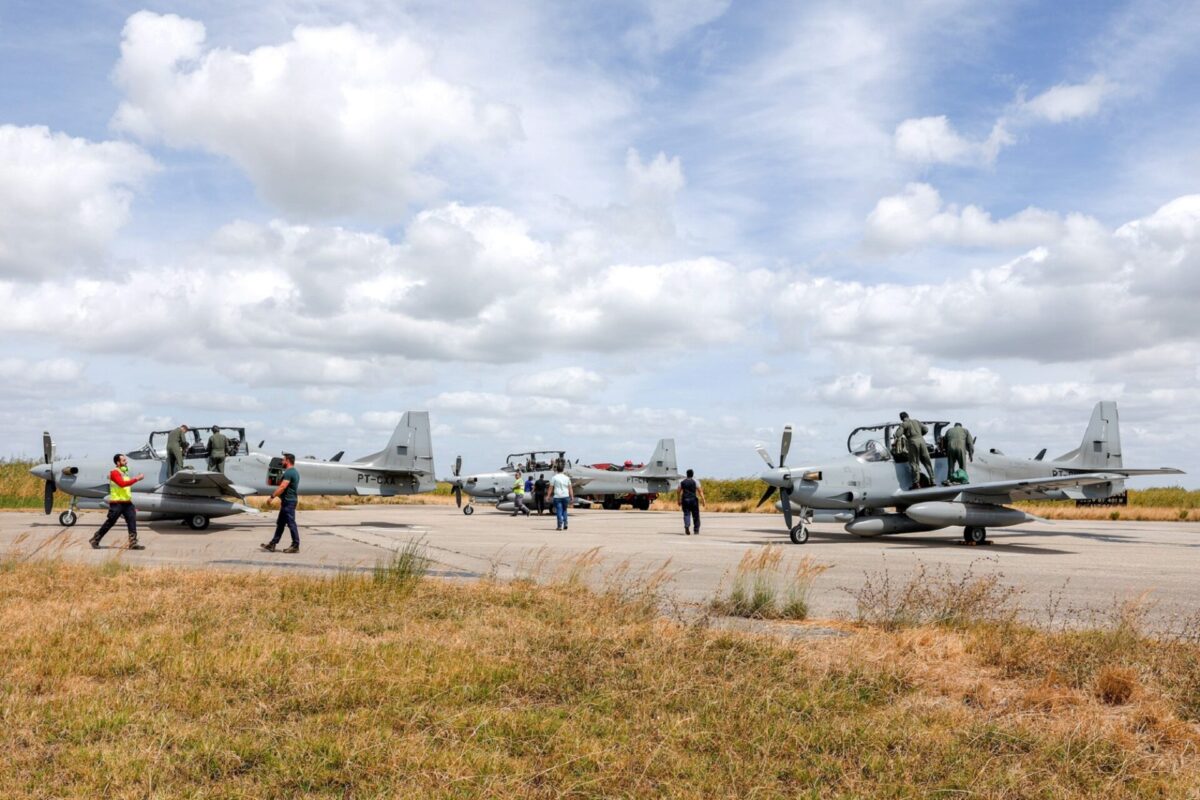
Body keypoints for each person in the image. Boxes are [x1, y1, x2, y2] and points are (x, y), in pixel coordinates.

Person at [89, 454, 146, 550]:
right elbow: (122, 484)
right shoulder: (114, 473)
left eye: (125, 460)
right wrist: (137, 478)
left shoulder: (124, 472)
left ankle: (133, 543)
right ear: (118, 463)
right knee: (110, 522)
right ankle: (95, 539)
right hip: (117, 503)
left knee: (132, 521)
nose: (126, 462)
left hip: (127, 503)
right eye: (124, 460)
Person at [261, 453, 300, 553]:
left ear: (287, 461)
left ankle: (295, 545)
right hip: (287, 501)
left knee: (291, 523)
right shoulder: (294, 472)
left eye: (283, 460)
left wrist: (272, 497)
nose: (281, 462)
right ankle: (272, 544)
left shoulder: (289, 472)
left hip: (289, 502)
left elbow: (283, 486)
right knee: (281, 523)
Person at [899, 412, 934, 489]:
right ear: (908, 416)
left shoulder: (903, 424)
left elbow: (898, 434)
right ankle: (933, 480)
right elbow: (926, 429)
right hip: (922, 441)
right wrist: (919, 435)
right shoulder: (916, 421)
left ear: (901, 418)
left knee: (914, 463)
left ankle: (916, 483)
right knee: (927, 461)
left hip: (912, 443)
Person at [679, 468, 706, 536]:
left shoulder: (682, 482)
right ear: (692, 474)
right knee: (696, 515)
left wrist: (678, 500)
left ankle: (687, 525)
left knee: (686, 514)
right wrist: (703, 500)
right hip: (693, 500)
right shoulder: (695, 481)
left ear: (686, 474)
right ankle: (696, 530)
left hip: (685, 500)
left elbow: (678, 491)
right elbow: (700, 491)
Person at [547, 463, 573, 530]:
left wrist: (548, 496)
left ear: (556, 470)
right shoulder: (567, 478)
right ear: (563, 470)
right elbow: (570, 488)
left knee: (559, 510)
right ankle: (566, 524)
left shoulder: (554, 477)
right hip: (565, 496)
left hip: (557, 496)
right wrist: (572, 497)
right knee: (564, 510)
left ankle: (559, 525)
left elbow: (550, 488)